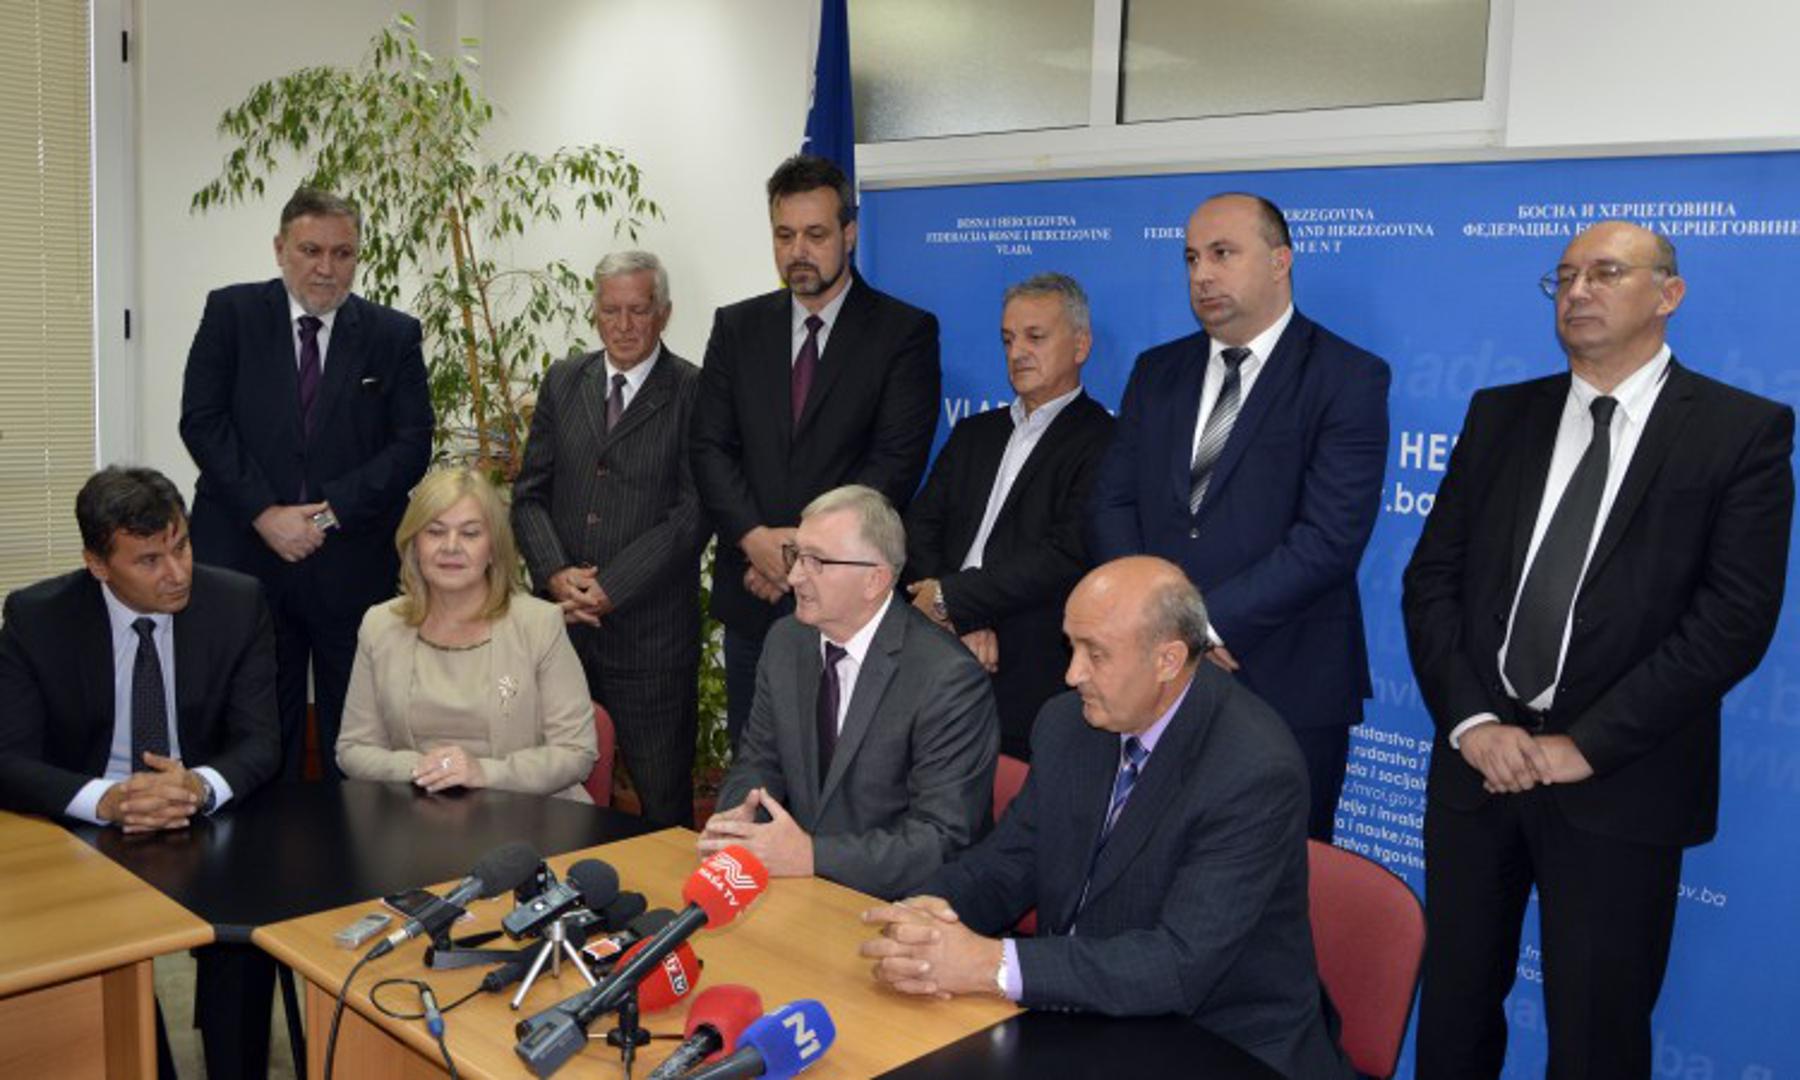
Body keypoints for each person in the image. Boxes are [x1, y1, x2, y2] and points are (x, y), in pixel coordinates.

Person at [1402, 221, 1793, 1079]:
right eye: (1566, 276)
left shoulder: (1740, 431)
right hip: (1478, 773)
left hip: (1622, 783)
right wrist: (1472, 723)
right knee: (1454, 1017)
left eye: (1607, 272)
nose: (1579, 291)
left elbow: (1732, 621)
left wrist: (1586, 745)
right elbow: (1431, 581)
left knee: (1597, 1038)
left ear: (1668, 294)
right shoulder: (1500, 415)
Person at [860, 557, 1350, 1080]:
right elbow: (1008, 864)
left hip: (1216, 1040)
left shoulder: (1252, 769)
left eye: (1095, 654)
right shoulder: (1068, 723)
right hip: (1083, 1012)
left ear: (1168, 660)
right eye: (1071, 646)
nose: (1072, 674)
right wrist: (928, 916)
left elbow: (1178, 964)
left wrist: (990, 965)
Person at [1087, 192, 1390, 840]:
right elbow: (1114, 501)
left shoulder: (1347, 376)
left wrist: (1199, 626)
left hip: (1286, 678)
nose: (1202, 274)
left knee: (1278, 875)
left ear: (1281, 261)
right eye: (1191, 258)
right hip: (1153, 672)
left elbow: (1329, 538)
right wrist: (1153, 622)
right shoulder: (1157, 371)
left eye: (1222, 253)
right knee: (1147, 859)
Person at [0, 466, 282, 1080]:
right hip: (88, 826)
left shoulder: (237, 603)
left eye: (181, 546)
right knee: (92, 975)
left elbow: (261, 742)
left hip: (204, 816)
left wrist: (199, 786)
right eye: (149, 560)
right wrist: (106, 801)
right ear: (98, 565)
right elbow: (9, 759)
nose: (176, 572)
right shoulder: (36, 618)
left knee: (244, 937)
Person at [180, 185, 433, 781]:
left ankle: (354, 842)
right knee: (256, 731)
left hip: (349, 563)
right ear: (280, 249)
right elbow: (202, 421)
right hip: (245, 558)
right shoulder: (231, 314)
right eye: (311, 250)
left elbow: (411, 445)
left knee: (357, 736)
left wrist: (322, 515)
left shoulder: (393, 334)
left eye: (343, 253)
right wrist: (266, 514)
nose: (326, 268)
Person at [691, 153, 940, 750]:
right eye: (784, 235)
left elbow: (894, 464)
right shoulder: (736, 327)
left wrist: (796, 555)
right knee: (757, 762)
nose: (798, 251)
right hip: (752, 592)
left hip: (846, 600)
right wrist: (755, 539)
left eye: (816, 234)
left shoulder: (904, 333)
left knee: (842, 767)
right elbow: (708, 446)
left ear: (849, 234)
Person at [697, 485, 998, 900]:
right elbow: (759, 761)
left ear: (875, 579)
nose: (795, 576)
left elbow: (940, 840)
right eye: (795, 555)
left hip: (904, 906)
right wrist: (739, 824)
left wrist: (813, 856)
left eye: (816, 561)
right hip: (800, 889)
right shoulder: (787, 640)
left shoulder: (948, 678)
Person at [512, 250, 706, 827]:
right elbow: (530, 494)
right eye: (610, 310)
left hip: (651, 641)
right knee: (553, 795)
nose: (623, 325)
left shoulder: (694, 390)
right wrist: (555, 574)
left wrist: (612, 587)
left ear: (664, 313)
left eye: (638, 311)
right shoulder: (563, 379)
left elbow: (694, 514)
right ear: (594, 312)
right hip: (562, 632)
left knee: (663, 804)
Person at [903, 272, 1114, 760]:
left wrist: (955, 599)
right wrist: (955, 613)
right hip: (938, 646)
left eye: (1035, 337)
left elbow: (1065, 554)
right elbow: (919, 527)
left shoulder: (1104, 441)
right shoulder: (973, 433)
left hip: (1028, 662)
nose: (1017, 352)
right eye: (1008, 339)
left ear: (1080, 345)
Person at [337, 469, 598, 800]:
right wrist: (424, 768)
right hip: (414, 815)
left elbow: (576, 752)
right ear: (414, 545)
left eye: (470, 533)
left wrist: (483, 772)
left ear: (493, 549)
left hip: (527, 814)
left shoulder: (539, 624)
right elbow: (353, 748)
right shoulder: (380, 625)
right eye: (435, 532)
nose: (451, 546)